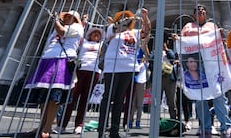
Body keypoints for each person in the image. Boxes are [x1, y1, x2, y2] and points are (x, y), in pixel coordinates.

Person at [176, 4, 231, 138]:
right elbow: (182, 42)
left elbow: (219, 43)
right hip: (196, 64)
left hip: (212, 64)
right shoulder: (188, 27)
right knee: (200, 98)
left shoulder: (212, 26)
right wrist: (177, 39)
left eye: (203, 11)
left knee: (219, 96)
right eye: (198, 11)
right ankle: (205, 127)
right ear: (194, 15)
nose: (201, 13)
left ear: (205, 14)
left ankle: (226, 127)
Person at [25, 10, 84, 138]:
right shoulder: (57, 29)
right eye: (66, 16)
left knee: (54, 96)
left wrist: (56, 20)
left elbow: (62, 32)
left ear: (76, 19)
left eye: (70, 16)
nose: (67, 18)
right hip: (48, 59)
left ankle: (47, 127)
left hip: (61, 60)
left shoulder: (77, 28)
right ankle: (42, 125)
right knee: (43, 96)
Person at [98, 8, 151, 138]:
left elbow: (147, 31)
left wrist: (145, 17)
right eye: (123, 17)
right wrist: (125, 20)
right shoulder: (112, 28)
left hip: (128, 67)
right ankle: (102, 128)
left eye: (127, 17)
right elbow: (114, 30)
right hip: (113, 67)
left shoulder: (134, 32)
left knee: (119, 99)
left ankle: (114, 130)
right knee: (108, 97)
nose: (126, 19)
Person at [55, 27, 103, 134]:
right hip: (80, 70)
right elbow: (78, 34)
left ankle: (79, 125)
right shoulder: (84, 42)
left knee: (85, 100)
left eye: (98, 33)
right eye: (94, 33)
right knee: (72, 98)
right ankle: (62, 125)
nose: (96, 34)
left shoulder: (101, 44)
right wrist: (83, 23)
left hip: (94, 72)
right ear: (89, 35)